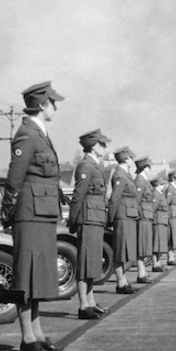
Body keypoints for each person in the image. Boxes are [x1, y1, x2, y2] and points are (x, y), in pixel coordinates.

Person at [1, 81, 64, 351]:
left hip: (42, 212)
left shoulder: (40, 132)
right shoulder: (27, 134)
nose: (55, 106)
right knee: (26, 274)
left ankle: (37, 333)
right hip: (28, 213)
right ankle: (27, 338)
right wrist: (8, 211)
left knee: (38, 275)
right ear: (41, 104)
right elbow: (14, 178)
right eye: (52, 102)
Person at [67, 129, 110, 320]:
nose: (105, 147)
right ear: (93, 145)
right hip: (88, 217)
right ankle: (84, 305)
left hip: (96, 217)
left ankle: (91, 301)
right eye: (102, 144)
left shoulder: (95, 165)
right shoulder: (86, 166)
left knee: (92, 261)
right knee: (86, 261)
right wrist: (74, 219)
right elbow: (78, 195)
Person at [107, 146, 138, 294]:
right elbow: (114, 199)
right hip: (122, 216)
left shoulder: (125, 174)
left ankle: (123, 281)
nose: (133, 160)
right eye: (131, 158)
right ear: (126, 159)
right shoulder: (120, 175)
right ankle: (121, 282)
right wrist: (110, 219)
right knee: (120, 251)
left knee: (125, 251)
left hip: (128, 216)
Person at [133, 157, 155, 282]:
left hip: (146, 216)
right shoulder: (140, 181)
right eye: (149, 167)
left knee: (144, 245)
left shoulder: (144, 181)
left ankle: (143, 272)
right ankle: (141, 273)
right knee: (141, 245)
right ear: (145, 168)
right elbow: (136, 200)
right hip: (142, 217)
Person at [151, 175, 169, 271]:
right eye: (162, 184)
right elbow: (153, 208)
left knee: (160, 244)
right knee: (156, 244)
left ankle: (158, 263)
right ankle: (155, 264)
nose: (163, 186)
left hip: (161, 221)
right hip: (157, 221)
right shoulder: (156, 194)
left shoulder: (160, 194)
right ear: (157, 185)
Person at [164, 170, 176, 266]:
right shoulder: (170, 189)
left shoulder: (174, 189)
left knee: (174, 237)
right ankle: (170, 257)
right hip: (172, 215)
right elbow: (167, 202)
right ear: (173, 179)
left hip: (175, 214)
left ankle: (172, 256)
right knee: (171, 237)